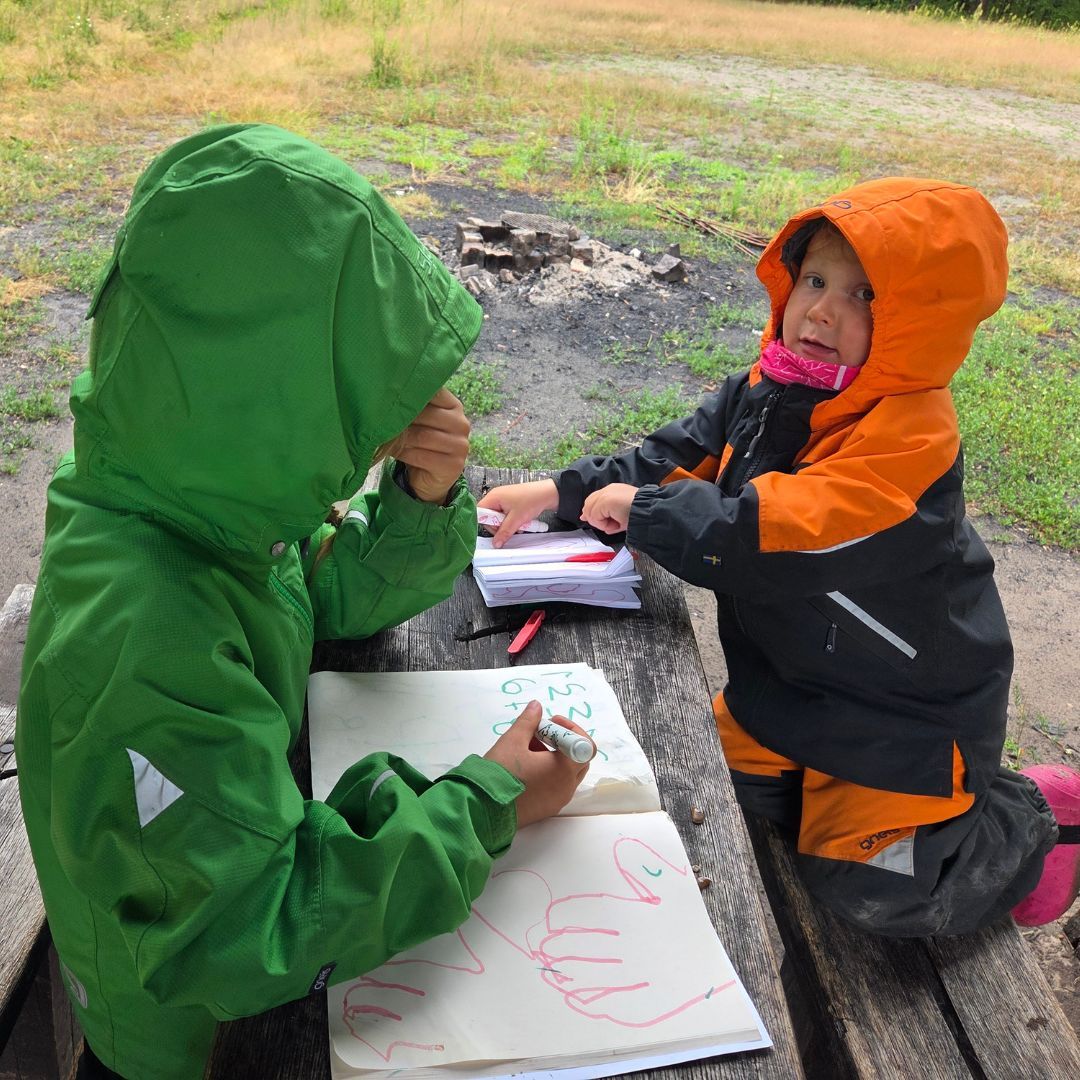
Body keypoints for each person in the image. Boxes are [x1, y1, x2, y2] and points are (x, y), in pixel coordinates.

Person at [16, 124, 592, 1080]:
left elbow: (315, 595)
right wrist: (480, 803)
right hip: (180, 1036)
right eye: (350, 407)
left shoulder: (196, 485)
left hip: (234, 840)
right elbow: (251, 931)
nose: (373, 438)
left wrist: (420, 501)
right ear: (264, 401)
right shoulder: (141, 632)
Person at [480, 177, 1080, 937]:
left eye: (866, 296)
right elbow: (672, 458)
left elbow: (781, 533)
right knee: (703, 780)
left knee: (871, 890)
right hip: (789, 691)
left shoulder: (912, 443)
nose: (824, 309)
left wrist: (652, 515)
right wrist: (563, 493)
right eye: (817, 280)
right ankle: (842, 795)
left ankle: (1033, 823)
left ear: (920, 324)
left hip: (904, 724)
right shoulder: (768, 388)